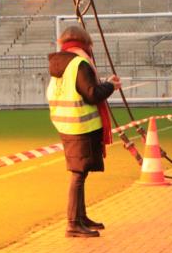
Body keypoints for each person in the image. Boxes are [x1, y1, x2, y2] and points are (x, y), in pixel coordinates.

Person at [47, 26, 121, 238]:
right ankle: (73, 223)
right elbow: (91, 94)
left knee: (80, 173)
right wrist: (110, 86)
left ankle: (80, 217)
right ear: (85, 43)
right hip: (81, 125)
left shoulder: (61, 64)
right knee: (78, 175)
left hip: (67, 124)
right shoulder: (79, 63)